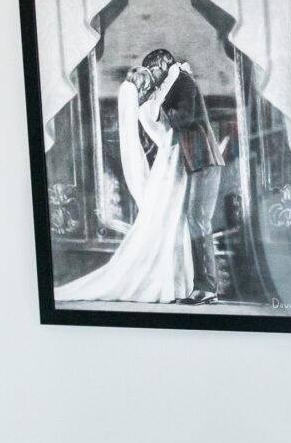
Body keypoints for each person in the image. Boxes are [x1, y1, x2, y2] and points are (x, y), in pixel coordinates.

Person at [54, 64, 194, 303]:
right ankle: (167, 284)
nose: (152, 88)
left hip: (169, 166)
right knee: (168, 223)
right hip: (168, 169)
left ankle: (175, 284)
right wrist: (175, 73)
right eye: (148, 85)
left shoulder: (146, 109)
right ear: (142, 89)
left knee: (172, 223)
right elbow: (164, 103)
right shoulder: (147, 110)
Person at [143, 48, 225, 306]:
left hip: (204, 159)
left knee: (198, 220)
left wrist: (162, 106)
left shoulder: (181, 82)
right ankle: (205, 288)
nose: (152, 77)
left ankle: (205, 289)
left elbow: (185, 117)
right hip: (200, 161)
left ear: (163, 64)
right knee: (197, 220)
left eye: (153, 70)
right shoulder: (178, 81)